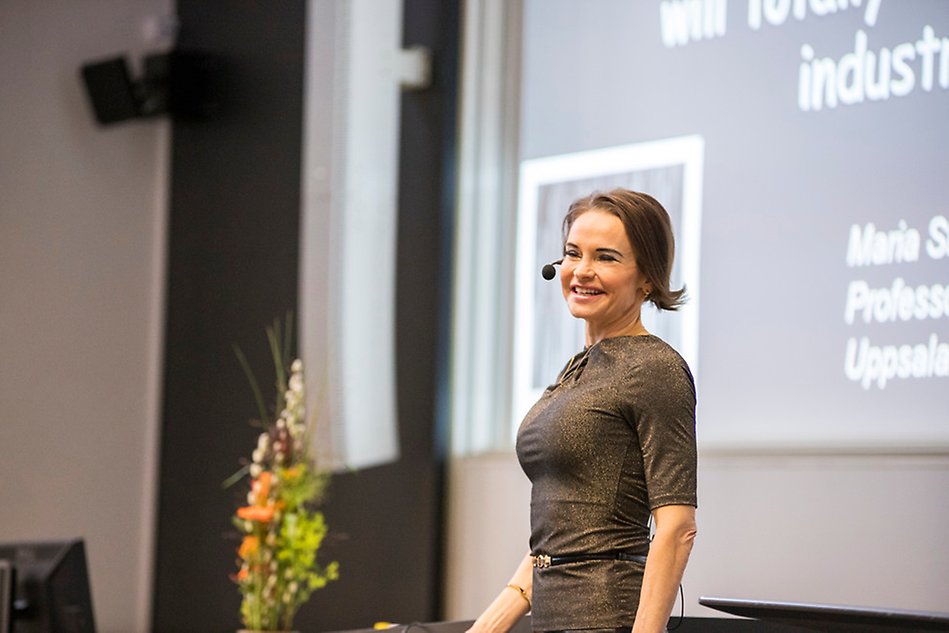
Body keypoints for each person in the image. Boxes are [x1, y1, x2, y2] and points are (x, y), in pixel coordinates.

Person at [469, 189, 698, 633]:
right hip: (554, 616)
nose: (582, 271)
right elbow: (561, 537)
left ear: (647, 277)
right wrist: (489, 625)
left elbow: (677, 528)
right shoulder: (578, 369)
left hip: (606, 616)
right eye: (573, 253)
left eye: (606, 257)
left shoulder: (653, 367)